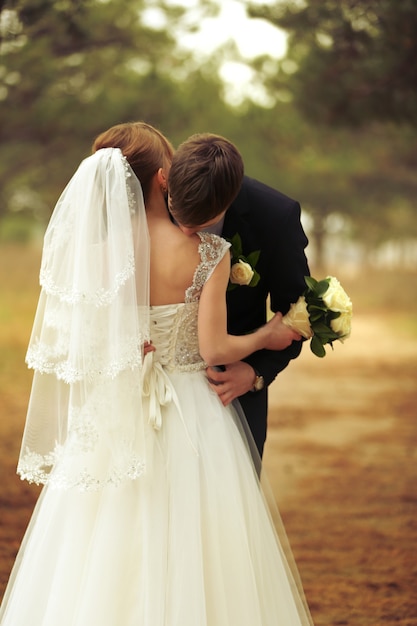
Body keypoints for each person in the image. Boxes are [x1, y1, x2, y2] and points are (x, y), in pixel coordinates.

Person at [0, 122, 313, 625]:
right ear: (164, 179)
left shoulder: (100, 257)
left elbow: (83, 341)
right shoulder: (207, 254)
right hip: (195, 408)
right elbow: (214, 346)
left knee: (102, 534)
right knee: (203, 536)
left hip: (117, 408)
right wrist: (264, 337)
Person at [168, 133, 310, 457]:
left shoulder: (275, 216)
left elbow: (298, 310)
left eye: (200, 223)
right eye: (176, 215)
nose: (185, 233)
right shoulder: (153, 196)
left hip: (233, 399)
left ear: (230, 200)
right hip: (154, 393)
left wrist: (256, 373)